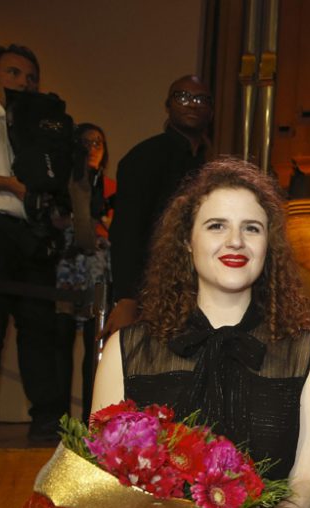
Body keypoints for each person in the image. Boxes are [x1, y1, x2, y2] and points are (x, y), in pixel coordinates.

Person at [38, 157, 310, 508]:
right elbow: (90, 493)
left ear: (270, 247)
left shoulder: (305, 351)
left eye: (251, 228)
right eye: (216, 225)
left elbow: (307, 480)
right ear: (187, 243)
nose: (235, 241)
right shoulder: (127, 350)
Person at [0, 44, 62, 445]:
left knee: (40, 326)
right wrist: (8, 183)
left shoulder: (39, 128)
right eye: (13, 73)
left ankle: (47, 425)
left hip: (32, 231)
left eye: (30, 76)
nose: (24, 82)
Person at [104, 74, 213, 337]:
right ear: (168, 105)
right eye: (183, 97)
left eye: (200, 99)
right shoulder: (143, 157)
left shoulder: (213, 165)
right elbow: (126, 230)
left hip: (204, 291)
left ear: (210, 110)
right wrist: (127, 297)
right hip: (154, 291)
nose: (192, 104)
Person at [54, 122, 115, 422]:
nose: (92, 148)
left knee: (95, 348)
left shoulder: (112, 187)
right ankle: (58, 420)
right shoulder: (62, 184)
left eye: (98, 143)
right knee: (61, 343)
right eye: (86, 142)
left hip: (100, 272)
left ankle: (91, 421)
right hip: (66, 270)